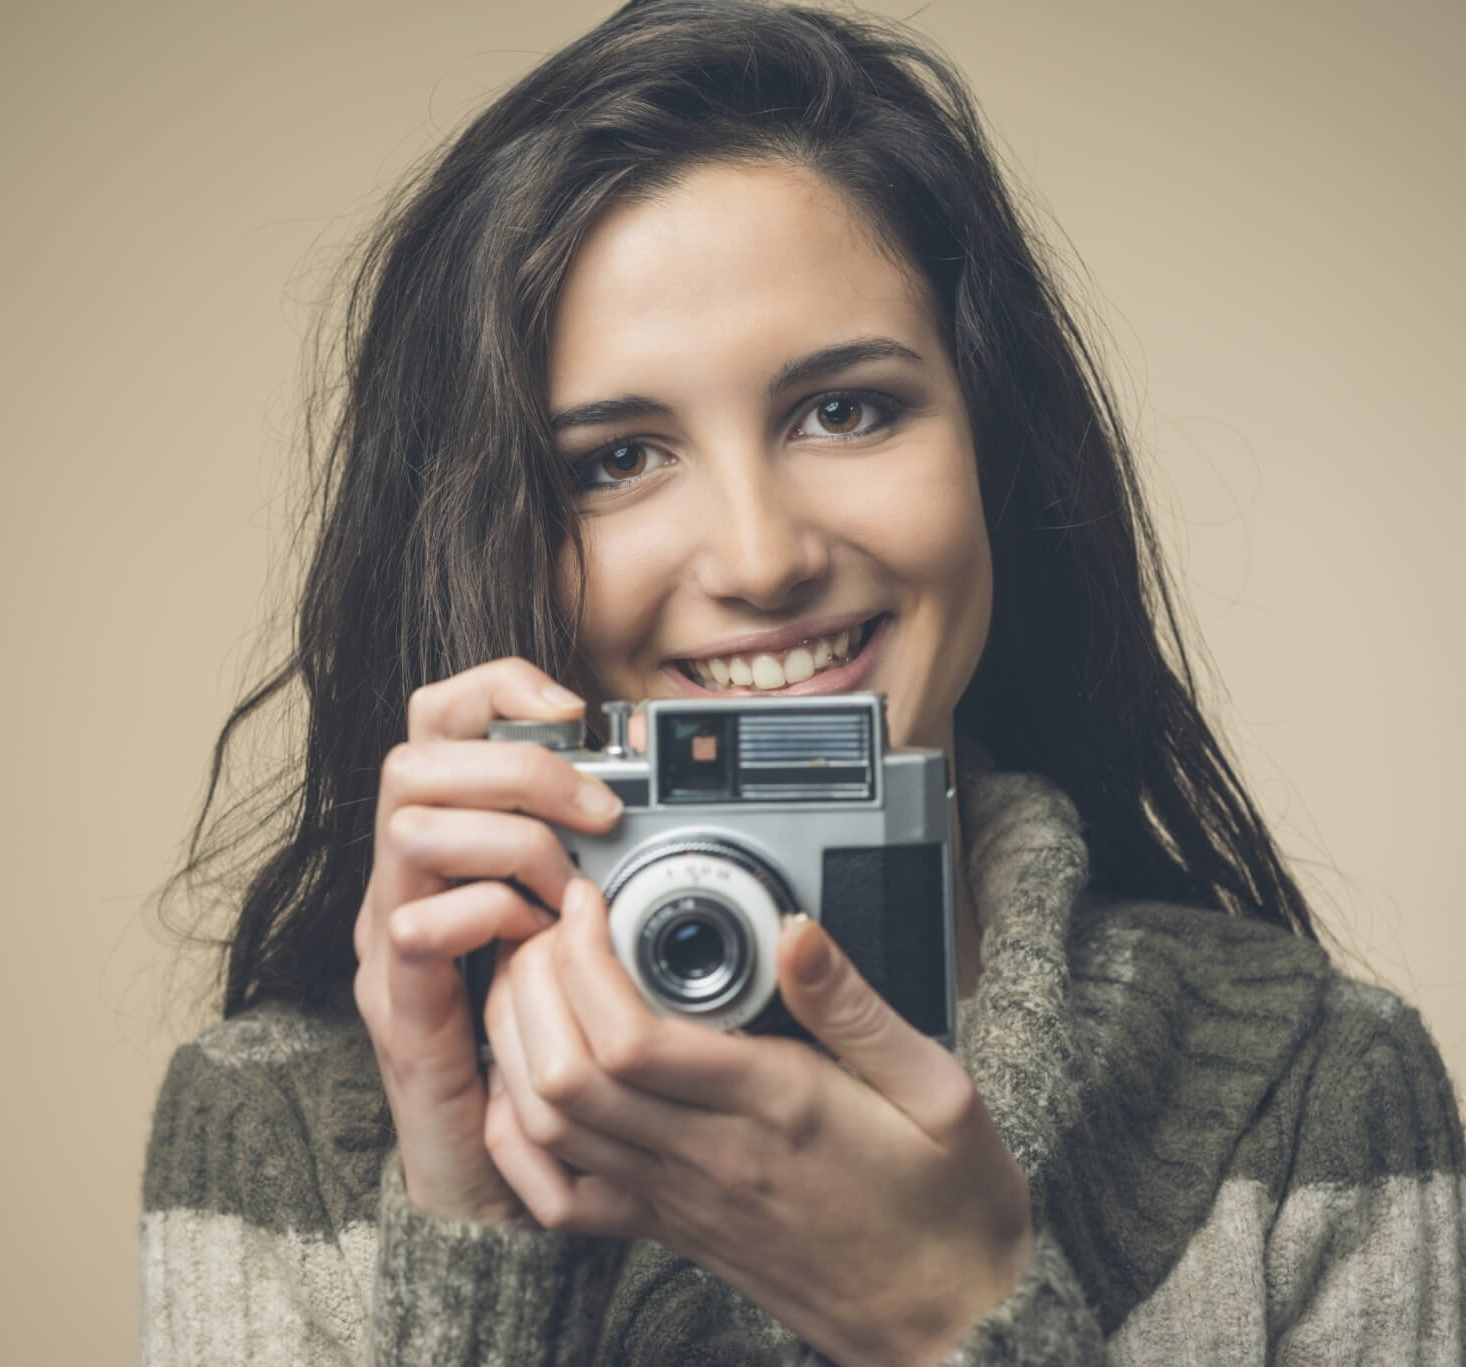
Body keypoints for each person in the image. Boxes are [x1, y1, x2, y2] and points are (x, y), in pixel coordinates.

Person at [141, 1, 1465, 1361]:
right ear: (480, 529)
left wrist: (946, 1313)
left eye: (845, 410)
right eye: (616, 459)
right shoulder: (280, 1133)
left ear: (994, 445)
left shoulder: (1310, 1098)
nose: (763, 558)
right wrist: (467, 1244)